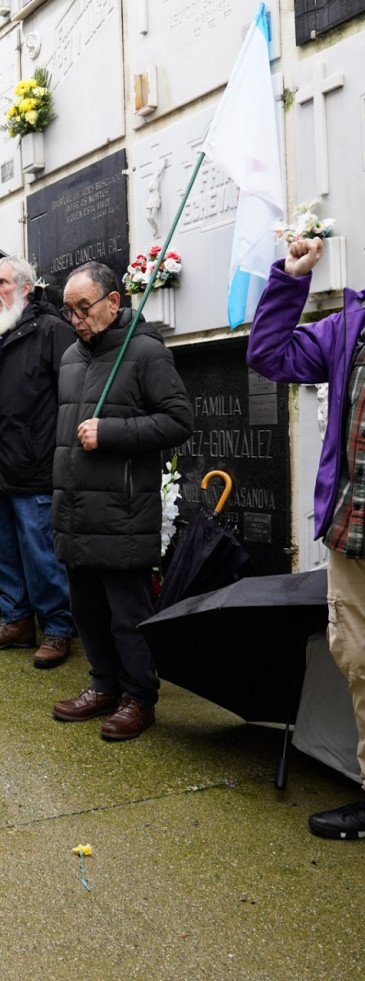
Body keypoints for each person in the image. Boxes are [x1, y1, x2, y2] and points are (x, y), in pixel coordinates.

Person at [248, 236, 365, 838]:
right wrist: (290, 280)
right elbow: (270, 355)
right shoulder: (351, 327)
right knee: (360, 660)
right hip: (355, 535)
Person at [52, 260, 192, 740]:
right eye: (69, 310)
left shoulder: (147, 353)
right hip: (75, 506)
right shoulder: (72, 357)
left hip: (123, 510)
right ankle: (103, 684)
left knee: (127, 613)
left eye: (83, 308)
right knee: (86, 608)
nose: (76, 319)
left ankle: (139, 696)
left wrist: (110, 432)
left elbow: (178, 421)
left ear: (114, 302)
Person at [0, 256, 76, 670]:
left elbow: (71, 396)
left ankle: (57, 627)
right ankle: (16, 620)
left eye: (2, 283)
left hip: (34, 465)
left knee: (41, 553)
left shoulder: (51, 331)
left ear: (26, 288)